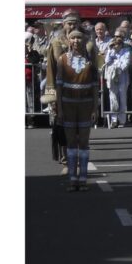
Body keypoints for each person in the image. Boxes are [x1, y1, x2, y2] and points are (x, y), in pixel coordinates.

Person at [56, 28, 99, 191]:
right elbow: (59, 86)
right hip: (68, 104)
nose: (76, 41)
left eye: (79, 38)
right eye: (73, 38)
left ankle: (83, 179)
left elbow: (95, 87)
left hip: (86, 104)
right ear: (68, 41)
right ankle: (72, 179)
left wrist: (95, 108)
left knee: (84, 142)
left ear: (84, 40)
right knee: (71, 142)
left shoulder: (90, 61)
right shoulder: (62, 60)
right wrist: (59, 108)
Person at [102, 32, 132, 128]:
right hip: (111, 77)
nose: (115, 46)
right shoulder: (111, 50)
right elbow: (107, 61)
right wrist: (110, 50)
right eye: (115, 36)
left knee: (122, 98)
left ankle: (122, 120)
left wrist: (115, 65)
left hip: (122, 76)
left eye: (119, 36)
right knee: (113, 98)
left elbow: (125, 64)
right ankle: (114, 120)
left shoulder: (126, 50)